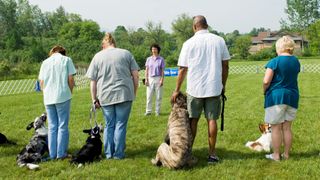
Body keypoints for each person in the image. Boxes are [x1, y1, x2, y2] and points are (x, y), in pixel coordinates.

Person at [171, 15, 230, 164]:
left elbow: (182, 69)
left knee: (193, 120)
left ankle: (188, 152)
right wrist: (223, 85)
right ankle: (212, 154)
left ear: (194, 27)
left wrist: (176, 89)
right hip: (214, 87)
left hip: (195, 88)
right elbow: (225, 66)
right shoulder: (219, 40)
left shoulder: (188, 43)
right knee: (212, 120)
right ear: (206, 25)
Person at [86, 33, 139, 159]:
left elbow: (92, 81)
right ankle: (119, 154)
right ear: (114, 43)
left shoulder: (97, 56)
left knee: (109, 124)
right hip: (124, 93)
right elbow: (136, 76)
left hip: (105, 95)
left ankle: (109, 153)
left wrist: (94, 99)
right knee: (121, 124)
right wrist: (134, 92)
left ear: (104, 44)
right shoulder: (126, 53)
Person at [263, 36, 300, 161]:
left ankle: (276, 155)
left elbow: (266, 80)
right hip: (293, 96)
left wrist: (264, 90)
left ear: (278, 47)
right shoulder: (296, 61)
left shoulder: (274, 61)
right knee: (287, 128)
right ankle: (287, 155)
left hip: (276, 97)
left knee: (276, 128)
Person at [38, 45, 76, 160]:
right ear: (63, 53)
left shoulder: (45, 62)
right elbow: (71, 79)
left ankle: (52, 154)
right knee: (62, 125)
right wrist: (69, 92)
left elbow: (41, 82)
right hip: (63, 95)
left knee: (52, 126)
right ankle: (61, 154)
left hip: (48, 97)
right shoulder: (67, 60)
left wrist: (46, 93)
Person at [145, 44, 165, 116]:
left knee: (158, 96)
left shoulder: (161, 59)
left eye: (155, 49)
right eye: (152, 49)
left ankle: (157, 111)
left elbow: (162, 70)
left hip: (158, 78)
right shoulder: (148, 59)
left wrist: (162, 79)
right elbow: (146, 70)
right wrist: (146, 79)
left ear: (158, 50)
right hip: (150, 78)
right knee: (149, 96)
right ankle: (148, 111)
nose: (153, 50)